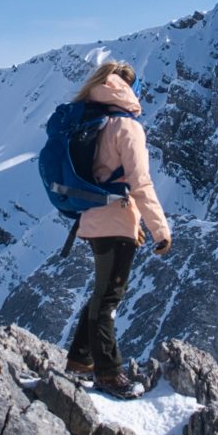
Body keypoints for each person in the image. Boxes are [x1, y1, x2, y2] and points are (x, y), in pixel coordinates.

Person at [64, 59, 172, 394]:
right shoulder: (127, 127)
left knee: (101, 292)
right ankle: (109, 373)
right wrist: (160, 229)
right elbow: (140, 183)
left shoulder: (93, 119)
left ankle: (81, 360)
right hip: (115, 222)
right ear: (130, 91)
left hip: (94, 218)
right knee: (109, 298)